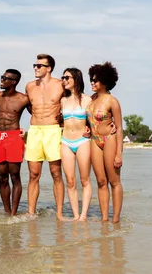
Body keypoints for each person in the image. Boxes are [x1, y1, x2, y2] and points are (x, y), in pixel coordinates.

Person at [25, 54, 65, 220]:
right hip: (34, 130)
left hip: (53, 130)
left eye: (39, 65)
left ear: (49, 68)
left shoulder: (60, 85)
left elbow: (78, 100)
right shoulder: (29, 86)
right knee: (33, 174)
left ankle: (60, 214)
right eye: (35, 65)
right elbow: (26, 105)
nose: (35, 68)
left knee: (56, 173)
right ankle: (31, 212)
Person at [86, 62, 124, 223]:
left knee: (114, 181)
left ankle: (115, 219)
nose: (93, 83)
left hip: (110, 139)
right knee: (101, 181)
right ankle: (104, 219)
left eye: (96, 80)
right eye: (91, 80)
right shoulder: (91, 100)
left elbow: (120, 128)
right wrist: (87, 129)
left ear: (106, 81)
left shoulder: (112, 101)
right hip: (94, 140)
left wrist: (119, 154)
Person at [0, 69, 30, 216]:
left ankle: (14, 214)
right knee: (2, 177)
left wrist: (27, 131)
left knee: (15, 176)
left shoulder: (23, 99)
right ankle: (6, 212)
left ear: (13, 82)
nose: (1, 80)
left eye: (5, 78)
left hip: (14, 137)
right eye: (2, 77)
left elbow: (37, 114)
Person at [60, 67, 93, 221]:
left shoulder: (87, 100)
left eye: (67, 77)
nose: (64, 80)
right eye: (63, 77)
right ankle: (75, 215)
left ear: (76, 79)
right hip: (65, 141)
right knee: (70, 180)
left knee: (84, 179)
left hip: (82, 141)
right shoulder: (63, 100)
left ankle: (84, 215)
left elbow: (96, 121)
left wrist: (94, 131)